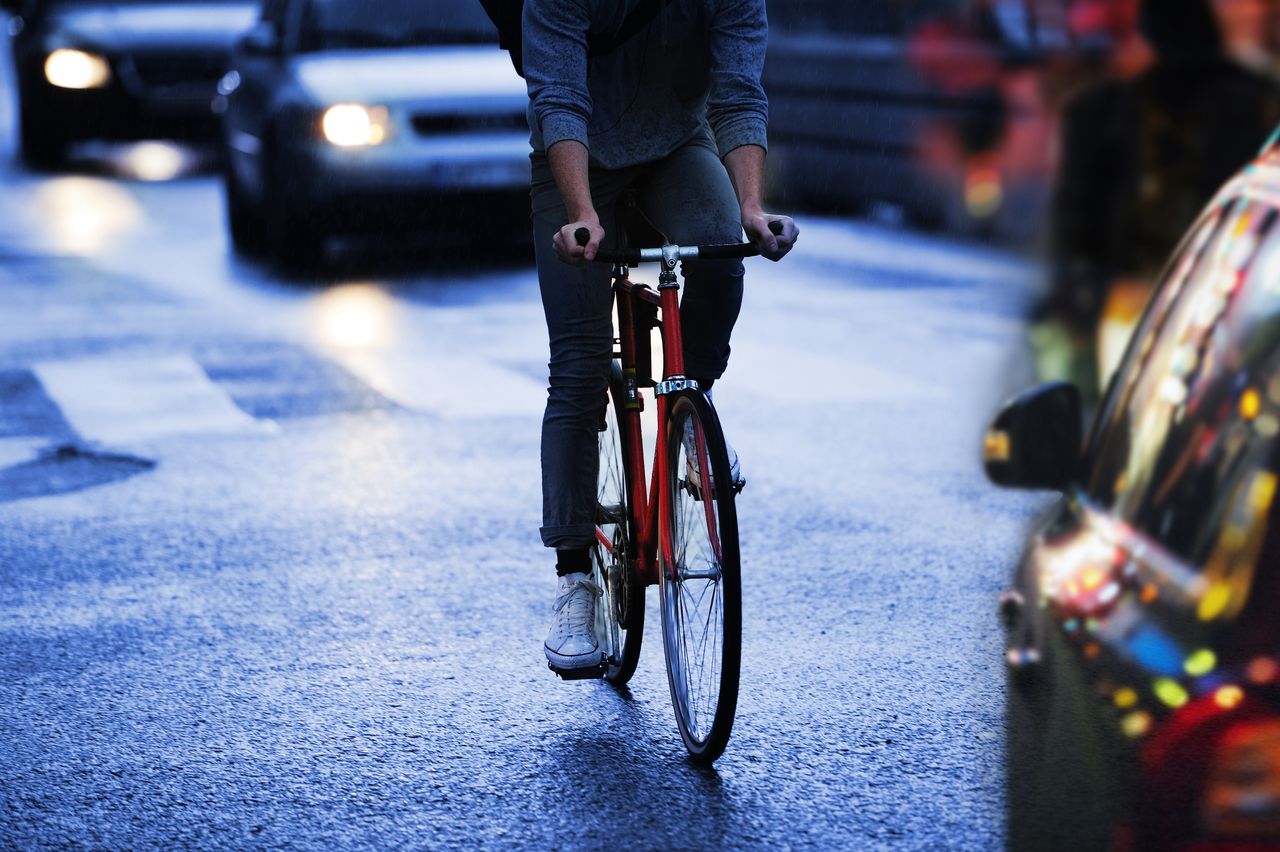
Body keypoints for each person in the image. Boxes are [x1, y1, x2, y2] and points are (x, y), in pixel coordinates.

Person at [521, 0, 798, 675]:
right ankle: (574, 582)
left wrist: (754, 208)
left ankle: (689, 414)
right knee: (581, 367)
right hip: (577, 156)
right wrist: (582, 213)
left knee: (722, 245)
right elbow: (559, 97)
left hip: (678, 144)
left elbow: (737, 93)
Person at [1044, 0, 1280, 397]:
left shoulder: (1101, 109)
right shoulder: (1257, 102)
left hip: (1142, 296)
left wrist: (1078, 295)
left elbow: (1076, 221)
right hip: (1222, 297)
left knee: (1129, 418)